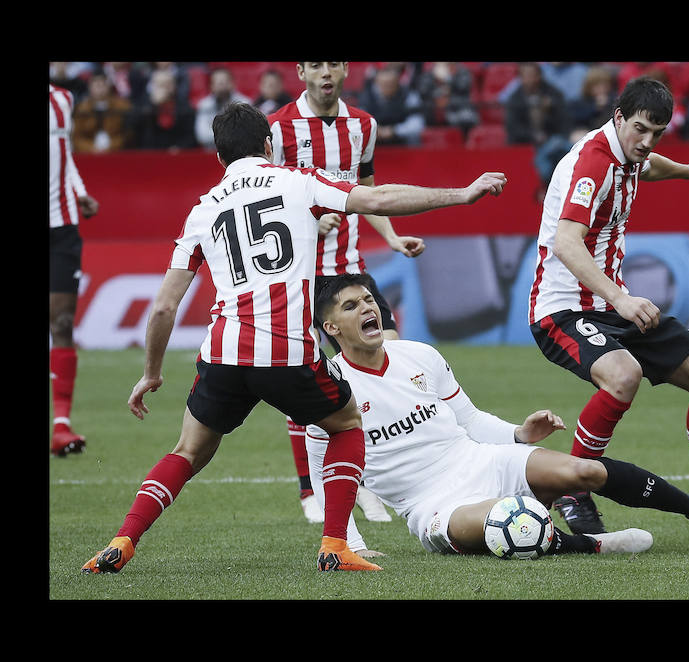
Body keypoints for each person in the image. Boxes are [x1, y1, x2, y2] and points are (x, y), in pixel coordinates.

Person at [81, 102, 508, 575]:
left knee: (188, 451)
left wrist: (151, 373)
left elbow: (163, 306)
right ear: (268, 144)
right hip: (285, 350)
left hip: (223, 352)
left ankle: (124, 539)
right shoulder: (297, 180)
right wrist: (462, 194)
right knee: (346, 423)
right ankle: (335, 544)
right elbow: (379, 198)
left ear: (219, 159)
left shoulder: (203, 210)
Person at [303, 274, 689, 558]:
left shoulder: (419, 355)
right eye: (351, 306)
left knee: (583, 470)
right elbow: (328, 475)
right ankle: (595, 546)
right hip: (432, 505)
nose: (366, 308)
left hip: (481, 459)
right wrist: (348, 543)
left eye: (367, 300)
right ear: (331, 328)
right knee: (516, 520)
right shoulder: (324, 388)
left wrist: (518, 433)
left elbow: (468, 419)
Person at [527, 76, 689, 538]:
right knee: (623, 375)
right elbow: (565, 241)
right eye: (640, 128)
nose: (647, 141)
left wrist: (685, 168)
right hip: (561, 310)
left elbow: (646, 163)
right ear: (617, 117)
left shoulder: (628, 151)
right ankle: (571, 489)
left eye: (657, 132)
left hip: (611, 303)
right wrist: (620, 297)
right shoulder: (592, 164)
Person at [268, 61, 427, 525]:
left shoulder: (364, 125)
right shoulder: (277, 129)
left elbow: (368, 189)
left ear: (345, 69)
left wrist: (392, 238)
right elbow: (268, 199)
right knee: (305, 381)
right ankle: (309, 489)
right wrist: (309, 222)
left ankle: (368, 481)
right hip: (300, 276)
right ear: (300, 72)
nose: (326, 72)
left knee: (389, 361)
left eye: (333, 63)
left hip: (351, 270)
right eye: (315, 64)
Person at [50, 83, 100, 457]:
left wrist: (79, 190)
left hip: (62, 227)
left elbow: (64, 157)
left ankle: (61, 426)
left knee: (63, 323)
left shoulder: (63, 99)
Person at [504, 62, 573, 186]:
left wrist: (548, 112)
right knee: (547, 158)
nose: (530, 79)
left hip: (553, 140)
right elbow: (513, 129)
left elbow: (564, 122)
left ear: (539, 76)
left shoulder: (553, 95)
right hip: (526, 145)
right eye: (526, 76)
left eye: (532, 75)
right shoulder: (514, 100)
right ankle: (550, 184)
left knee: (562, 145)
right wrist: (534, 136)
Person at [356, 65, 425, 146]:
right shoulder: (366, 97)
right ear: (376, 83)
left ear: (398, 82)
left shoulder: (409, 96)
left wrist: (394, 131)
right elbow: (358, 123)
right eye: (384, 84)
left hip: (403, 143)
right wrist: (376, 130)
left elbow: (417, 124)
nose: (387, 87)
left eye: (391, 84)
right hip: (374, 144)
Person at [131, 68, 196, 150]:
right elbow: (134, 128)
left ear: (174, 86)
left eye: (168, 84)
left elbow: (190, 135)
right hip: (149, 153)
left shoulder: (183, 105)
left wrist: (180, 148)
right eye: (160, 85)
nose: (164, 88)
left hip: (176, 153)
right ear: (152, 87)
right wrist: (152, 105)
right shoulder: (143, 103)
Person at [71, 71, 134, 153]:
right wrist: (92, 148)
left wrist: (111, 146)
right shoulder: (81, 109)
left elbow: (128, 134)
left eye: (103, 84)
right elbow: (76, 138)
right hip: (89, 154)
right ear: (90, 87)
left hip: (116, 153)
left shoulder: (122, 106)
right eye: (96, 85)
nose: (100, 88)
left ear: (109, 86)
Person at [415, 62, 480, 138]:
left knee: (468, 118)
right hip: (434, 111)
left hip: (457, 110)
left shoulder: (462, 71)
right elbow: (423, 91)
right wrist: (436, 78)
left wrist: (448, 78)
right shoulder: (430, 72)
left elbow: (463, 88)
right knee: (417, 122)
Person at [194, 67, 252, 149]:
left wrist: (218, 132)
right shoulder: (204, 105)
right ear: (211, 86)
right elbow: (202, 136)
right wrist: (231, 133)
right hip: (211, 152)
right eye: (218, 82)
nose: (221, 85)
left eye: (224, 81)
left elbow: (246, 133)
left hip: (238, 152)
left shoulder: (244, 104)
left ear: (233, 83)